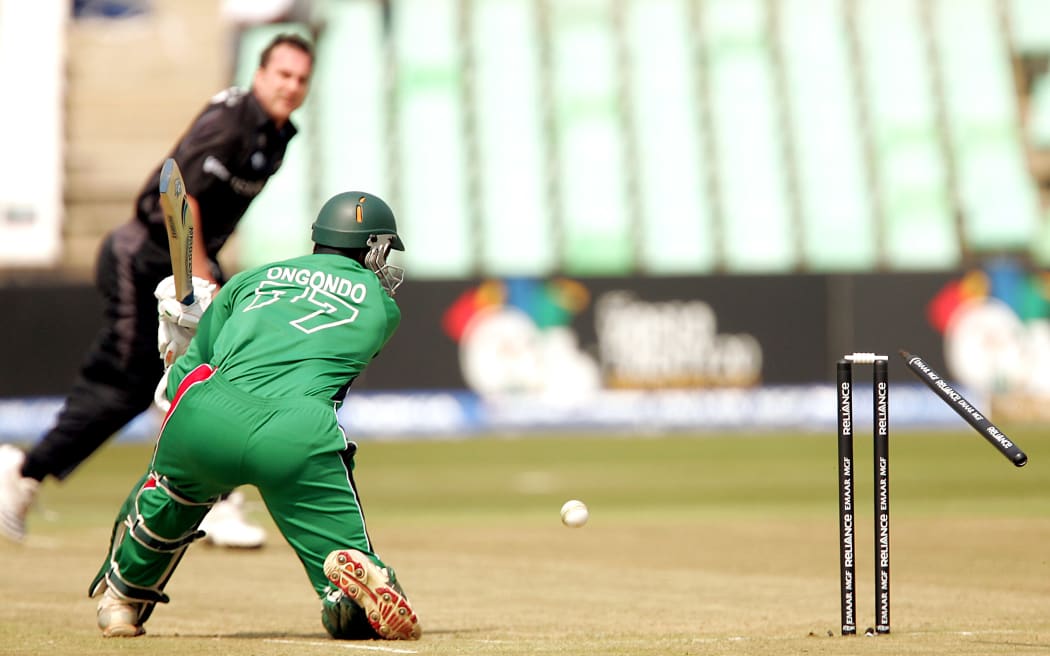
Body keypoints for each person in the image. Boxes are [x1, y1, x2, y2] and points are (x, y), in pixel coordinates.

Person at [0, 32, 314, 547]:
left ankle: (215, 499)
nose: (291, 86)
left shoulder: (278, 136)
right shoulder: (233, 119)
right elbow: (179, 196)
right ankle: (24, 472)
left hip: (185, 259)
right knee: (125, 384)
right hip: (143, 256)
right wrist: (200, 275)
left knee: (222, 367)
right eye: (282, 74)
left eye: (301, 79)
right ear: (259, 74)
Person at [89, 191, 419, 641]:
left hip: (205, 416)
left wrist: (184, 333)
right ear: (373, 247)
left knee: (167, 495)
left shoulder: (249, 280)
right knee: (349, 587)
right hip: (296, 432)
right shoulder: (382, 308)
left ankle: (121, 601)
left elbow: (192, 369)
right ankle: (351, 598)